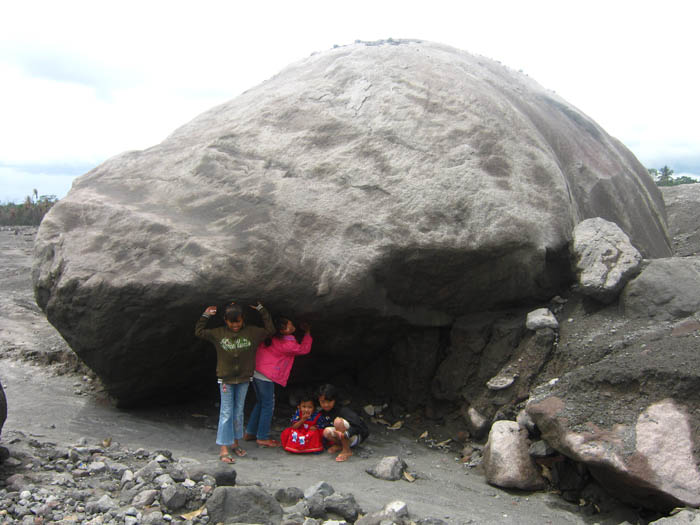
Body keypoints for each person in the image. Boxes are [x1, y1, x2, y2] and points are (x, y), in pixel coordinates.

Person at [195, 301, 275, 463]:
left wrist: (261, 310)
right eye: (232, 322)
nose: (235, 325)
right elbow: (199, 332)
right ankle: (224, 448)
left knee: (238, 412)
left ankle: (235, 442)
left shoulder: (252, 333)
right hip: (225, 379)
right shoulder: (219, 334)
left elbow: (270, 330)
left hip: (244, 379)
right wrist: (205, 315)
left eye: (238, 321)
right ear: (226, 320)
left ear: (242, 319)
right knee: (226, 412)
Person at [244, 316, 313, 447]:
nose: (292, 326)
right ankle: (262, 437)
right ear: (282, 331)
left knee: (260, 403)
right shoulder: (288, 344)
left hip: (256, 371)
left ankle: (250, 432)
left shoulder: (270, 338)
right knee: (268, 405)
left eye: (291, 323)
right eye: (289, 326)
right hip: (267, 376)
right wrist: (308, 333)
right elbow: (304, 349)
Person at [317, 383, 370, 462]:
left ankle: (346, 450)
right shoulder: (322, 413)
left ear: (335, 400)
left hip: (355, 436)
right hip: (342, 436)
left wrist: (346, 434)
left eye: (329, 401)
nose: (326, 405)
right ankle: (340, 445)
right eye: (323, 402)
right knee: (326, 432)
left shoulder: (343, 410)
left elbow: (360, 426)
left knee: (338, 421)